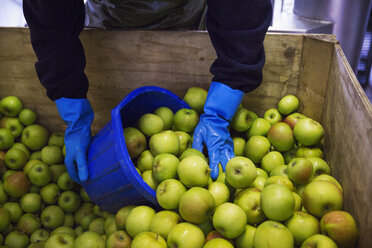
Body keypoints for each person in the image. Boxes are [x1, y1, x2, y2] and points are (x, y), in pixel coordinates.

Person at [23, 0, 272, 183]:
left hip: (189, 14)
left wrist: (222, 105)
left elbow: (244, 10)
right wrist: (69, 101)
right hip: (111, 18)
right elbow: (49, 13)